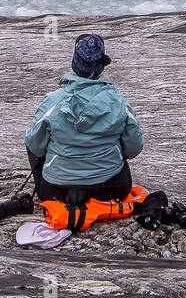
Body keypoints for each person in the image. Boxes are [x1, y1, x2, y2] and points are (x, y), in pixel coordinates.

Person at [24, 33, 142, 203]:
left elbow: (35, 146)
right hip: (111, 189)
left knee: (33, 137)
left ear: (75, 63)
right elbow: (133, 149)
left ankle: (63, 187)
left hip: (56, 190)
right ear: (101, 66)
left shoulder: (53, 101)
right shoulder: (119, 101)